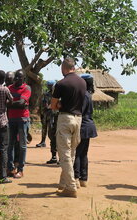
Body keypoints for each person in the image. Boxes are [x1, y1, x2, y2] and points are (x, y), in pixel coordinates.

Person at [51, 58, 86, 198]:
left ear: (64, 68)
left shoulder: (61, 83)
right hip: (78, 119)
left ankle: (71, 187)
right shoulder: (83, 82)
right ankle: (64, 183)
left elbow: (53, 105)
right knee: (71, 153)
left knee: (64, 154)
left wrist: (60, 104)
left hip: (65, 119)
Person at [73, 74, 97, 188]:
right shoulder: (89, 94)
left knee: (77, 153)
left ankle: (76, 178)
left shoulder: (82, 95)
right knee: (84, 154)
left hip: (82, 126)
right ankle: (84, 179)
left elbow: (79, 112)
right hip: (88, 126)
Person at [7, 70, 31, 178]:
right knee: (10, 144)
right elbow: (5, 102)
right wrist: (16, 104)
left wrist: (10, 103)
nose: (17, 79)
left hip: (22, 119)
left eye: (19, 77)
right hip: (11, 119)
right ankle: (11, 168)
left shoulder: (26, 88)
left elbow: (22, 103)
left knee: (22, 145)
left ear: (23, 79)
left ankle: (20, 169)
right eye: (16, 77)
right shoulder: (9, 88)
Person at [36, 80, 55, 148]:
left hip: (51, 114)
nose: (49, 87)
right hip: (44, 114)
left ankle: (53, 143)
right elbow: (41, 103)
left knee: (51, 129)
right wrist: (40, 112)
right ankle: (43, 142)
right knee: (44, 128)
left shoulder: (55, 95)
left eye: (50, 86)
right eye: (48, 85)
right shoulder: (45, 94)